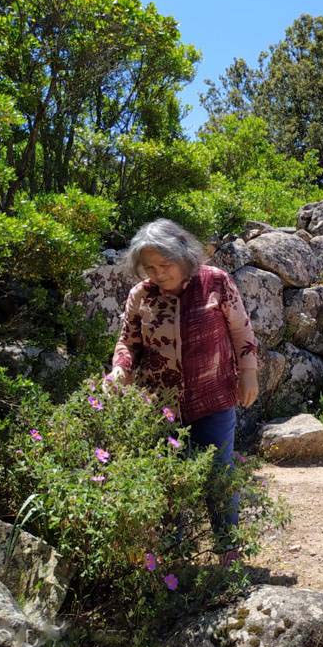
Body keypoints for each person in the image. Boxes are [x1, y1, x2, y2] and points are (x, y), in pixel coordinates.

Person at [109, 219, 259, 563]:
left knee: (218, 475)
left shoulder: (215, 282)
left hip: (214, 398)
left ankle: (228, 550)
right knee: (169, 478)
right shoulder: (141, 295)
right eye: (150, 267)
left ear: (183, 254)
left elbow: (241, 331)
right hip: (160, 406)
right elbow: (127, 341)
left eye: (165, 264)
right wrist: (120, 369)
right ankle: (173, 554)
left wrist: (248, 373)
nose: (159, 273)